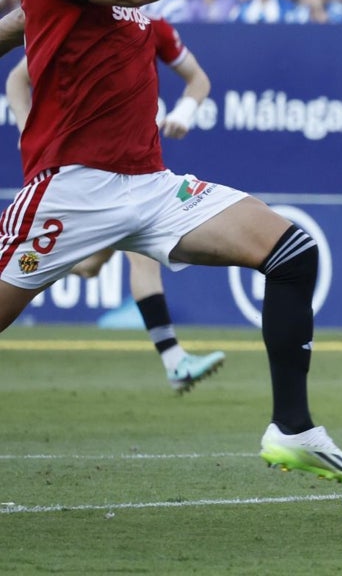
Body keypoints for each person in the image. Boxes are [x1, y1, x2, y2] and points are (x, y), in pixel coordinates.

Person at [0, 0, 342, 484]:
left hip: (149, 187)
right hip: (70, 189)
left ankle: (294, 429)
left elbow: (21, 24)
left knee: (291, 250)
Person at [5, 19, 225, 393]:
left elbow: (198, 79)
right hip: (81, 173)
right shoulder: (78, 22)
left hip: (131, 170)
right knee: (126, 260)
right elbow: (15, 78)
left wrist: (184, 114)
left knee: (97, 265)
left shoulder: (152, 26)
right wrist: (29, 130)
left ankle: (175, 361)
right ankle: (174, 359)